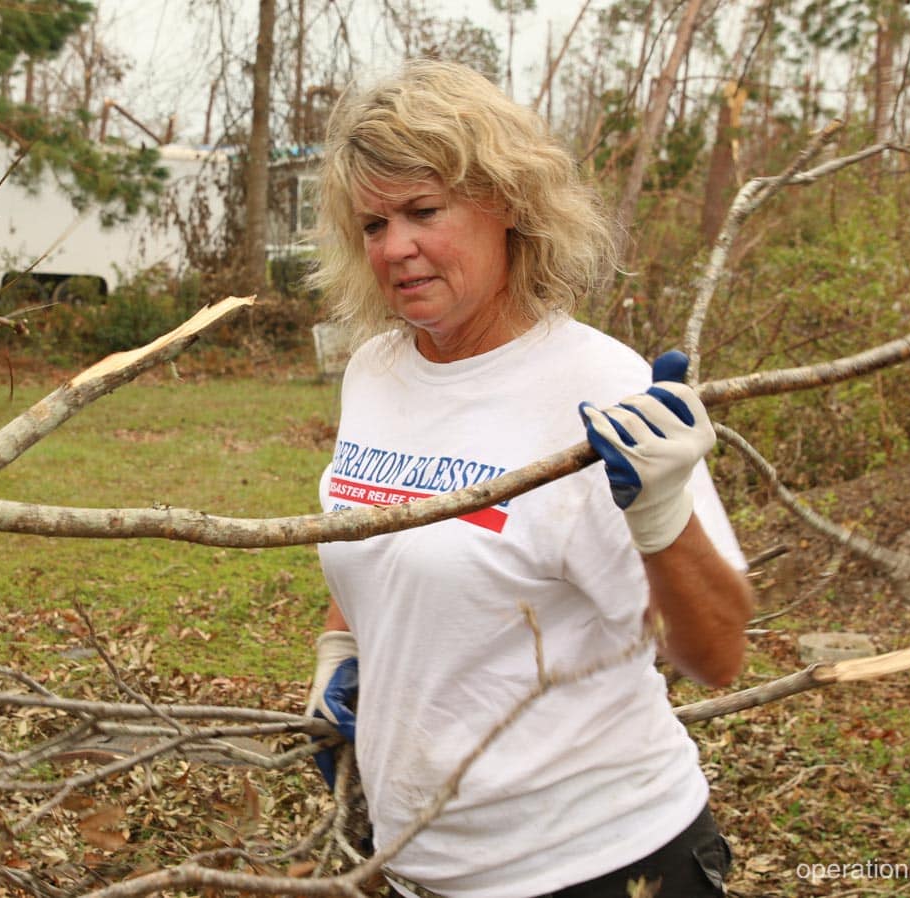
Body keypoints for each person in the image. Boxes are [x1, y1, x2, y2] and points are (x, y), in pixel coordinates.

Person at [301, 59, 756, 898]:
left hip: (600, 864)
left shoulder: (595, 386)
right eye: (372, 224)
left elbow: (717, 654)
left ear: (506, 204)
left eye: (422, 211)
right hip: (419, 866)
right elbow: (381, 529)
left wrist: (661, 518)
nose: (395, 247)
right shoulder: (376, 369)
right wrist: (342, 644)